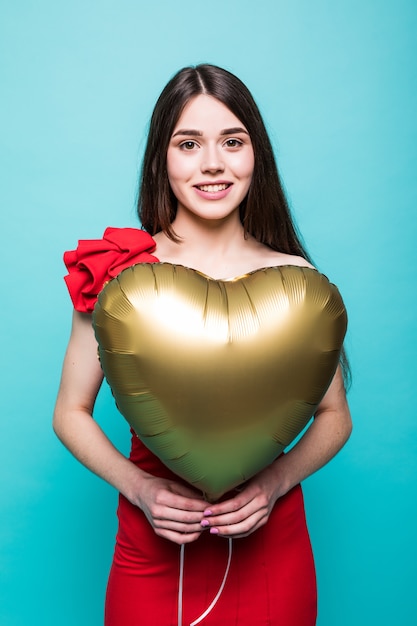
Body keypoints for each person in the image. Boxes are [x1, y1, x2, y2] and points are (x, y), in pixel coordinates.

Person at [53, 64, 352, 626]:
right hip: (154, 541)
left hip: (271, 543)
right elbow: (69, 412)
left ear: (255, 154)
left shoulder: (295, 280)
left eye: (232, 142)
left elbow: (335, 416)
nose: (212, 163)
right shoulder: (121, 273)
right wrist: (139, 488)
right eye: (188, 144)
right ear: (161, 158)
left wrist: (274, 483)